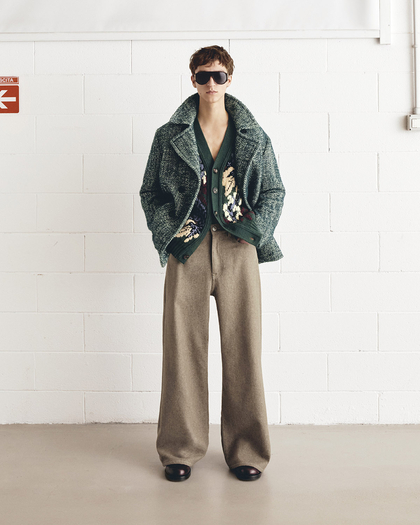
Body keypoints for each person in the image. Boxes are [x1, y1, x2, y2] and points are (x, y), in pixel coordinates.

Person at [140, 45, 286, 482]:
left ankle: (248, 452)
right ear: (192, 79)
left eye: (219, 77)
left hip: (239, 250)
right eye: (203, 76)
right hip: (186, 251)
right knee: (181, 349)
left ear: (230, 80)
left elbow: (275, 190)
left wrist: (255, 230)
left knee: (244, 349)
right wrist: (169, 235)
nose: (210, 84)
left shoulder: (253, 136)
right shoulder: (170, 136)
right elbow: (151, 193)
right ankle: (180, 450)